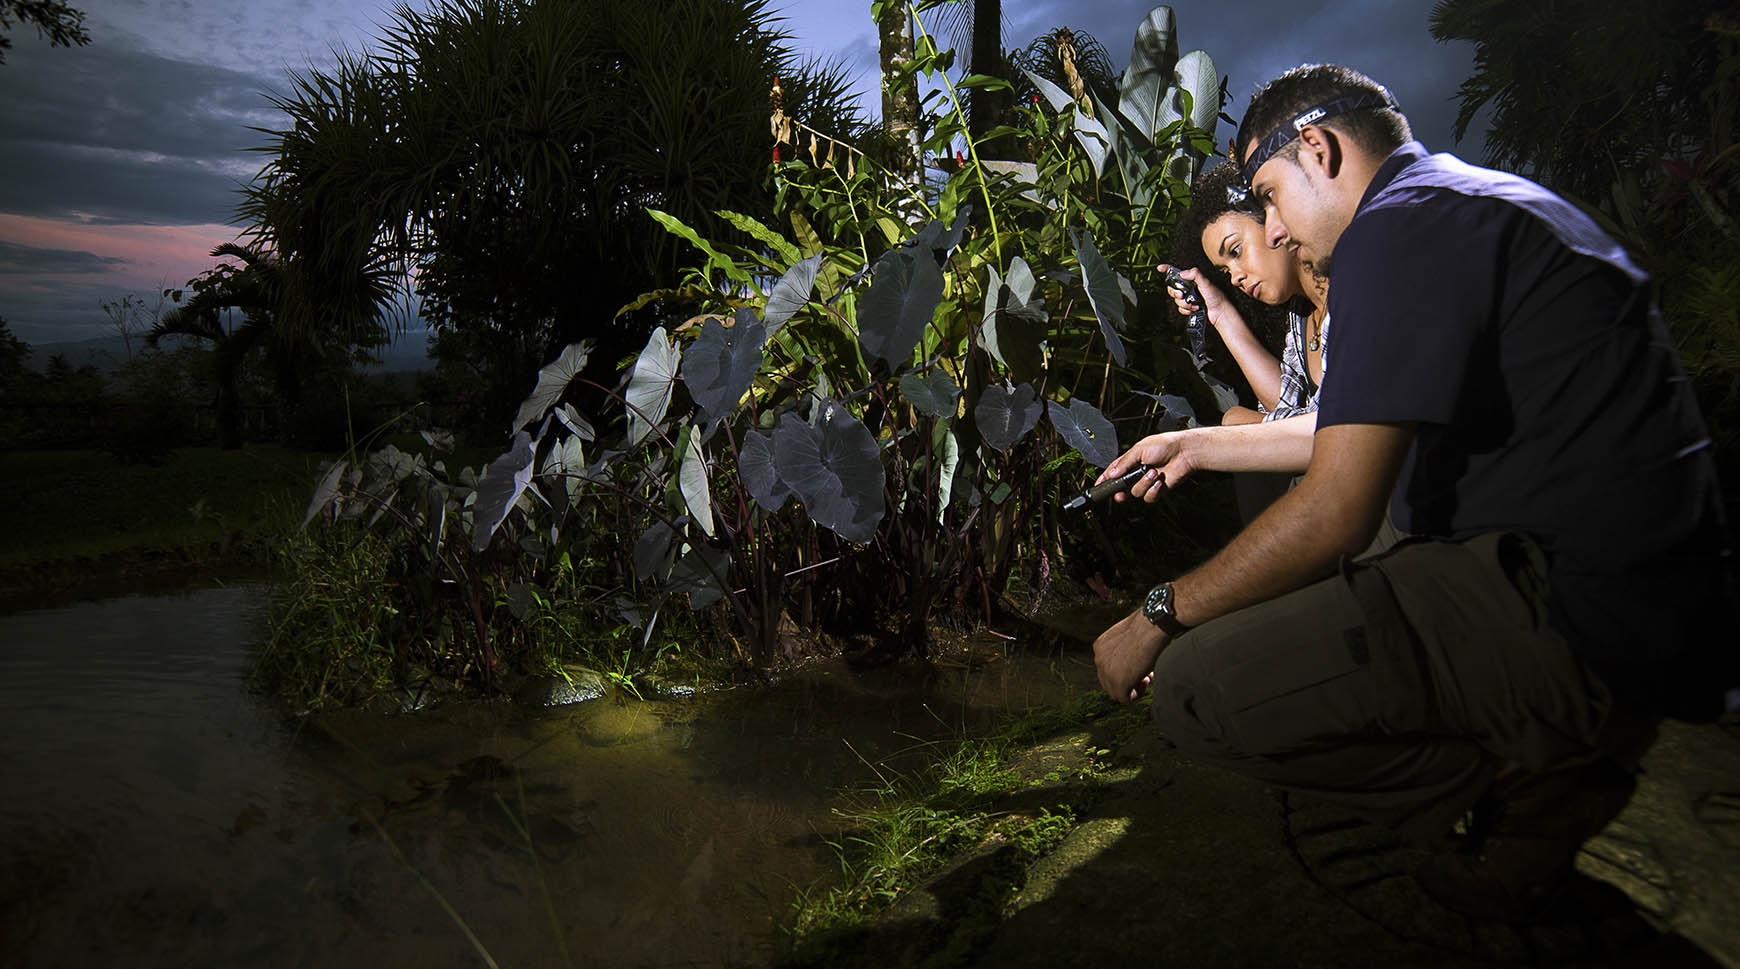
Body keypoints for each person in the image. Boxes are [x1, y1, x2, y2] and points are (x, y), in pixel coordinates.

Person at [1091, 63, 1737, 920]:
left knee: (1195, 687)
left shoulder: (1393, 233)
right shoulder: (1453, 202)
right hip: (1649, 599)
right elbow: (1340, 428)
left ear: (1317, 149)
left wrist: (1158, 613)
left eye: (1270, 197)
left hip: (1588, 621)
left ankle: (1535, 774)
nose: (1275, 230)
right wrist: (1192, 443)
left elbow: (1334, 511)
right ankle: (1538, 739)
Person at [1165, 160, 1330, 429]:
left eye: (1235, 251)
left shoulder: (1351, 297)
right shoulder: (1301, 317)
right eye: (1224, 270)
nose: (1235, 276)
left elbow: (1336, 432)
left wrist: (1248, 421)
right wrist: (1219, 312)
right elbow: (1286, 405)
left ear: (1273, 218)